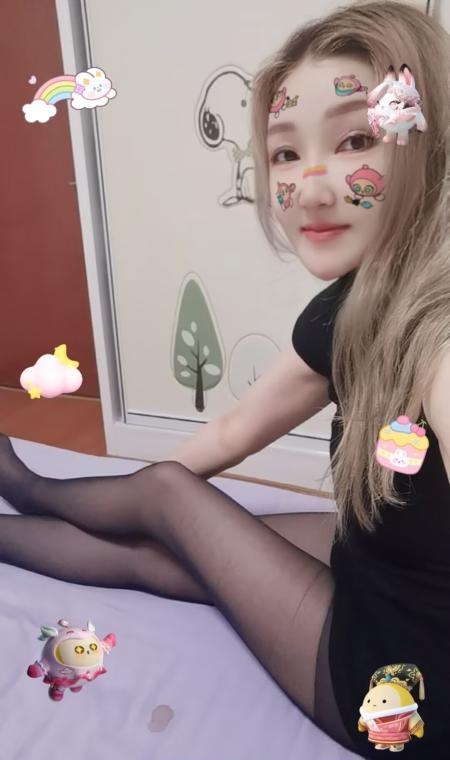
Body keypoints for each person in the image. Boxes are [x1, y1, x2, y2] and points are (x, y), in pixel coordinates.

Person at [0, 1, 448, 757]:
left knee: (167, 498)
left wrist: (156, 506)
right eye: (285, 152)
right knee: (167, 522)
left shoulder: (439, 333)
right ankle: (32, 493)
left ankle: (28, 488)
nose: (310, 186)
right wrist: (147, 513)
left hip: (402, 680)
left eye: (356, 139)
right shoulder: (350, 307)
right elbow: (236, 430)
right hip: (383, 564)